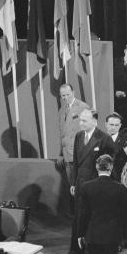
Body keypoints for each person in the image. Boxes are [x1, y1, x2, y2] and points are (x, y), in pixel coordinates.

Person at [60, 108, 117, 254]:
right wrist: (73, 182)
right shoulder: (79, 136)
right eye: (80, 120)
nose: (81, 123)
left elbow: (112, 162)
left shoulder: (104, 138)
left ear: (94, 121)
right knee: (78, 217)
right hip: (80, 183)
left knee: (93, 218)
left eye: (84, 120)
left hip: (95, 185)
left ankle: (96, 252)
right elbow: (76, 162)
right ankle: (75, 251)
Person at [76, 154, 127, 254]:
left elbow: (83, 213)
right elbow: (125, 214)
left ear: (96, 167)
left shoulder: (86, 187)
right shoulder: (120, 188)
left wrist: (80, 233)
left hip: (93, 232)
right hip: (112, 233)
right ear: (111, 168)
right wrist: (123, 235)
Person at [57, 83, 90, 217]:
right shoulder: (62, 110)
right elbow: (62, 134)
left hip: (79, 155)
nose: (65, 98)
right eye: (63, 96)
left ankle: (82, 214)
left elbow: (88, 131)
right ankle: (75, 215)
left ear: (73, 93)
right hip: (67, 155)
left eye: (67, 95)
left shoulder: (83, 107)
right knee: (72, 186)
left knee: (80, 186)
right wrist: (60, 154)